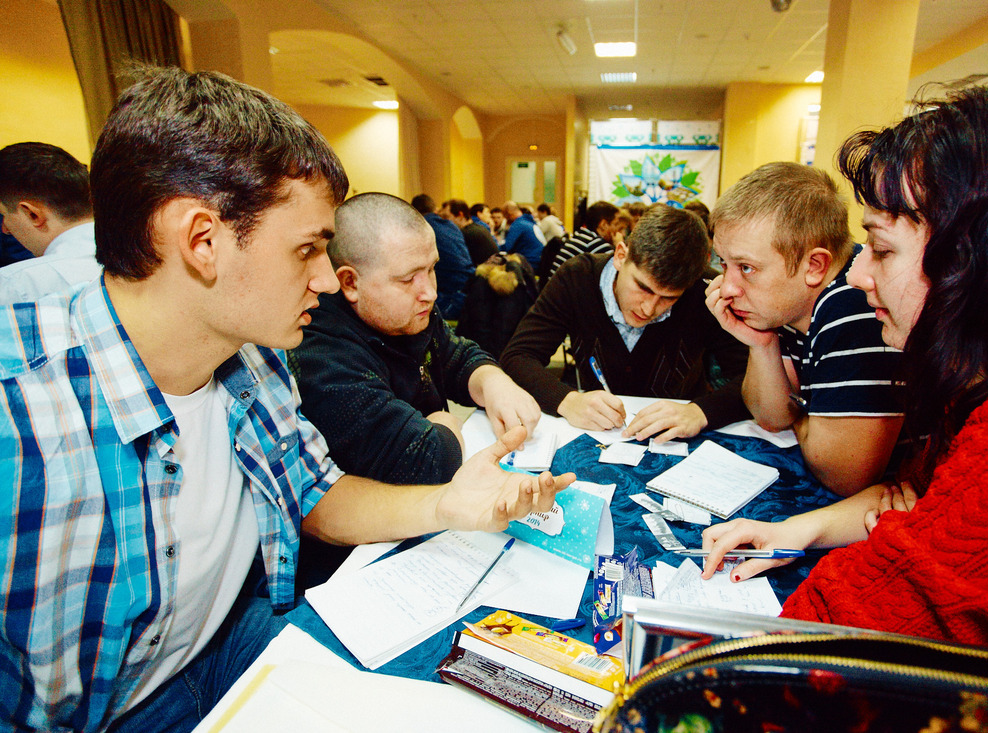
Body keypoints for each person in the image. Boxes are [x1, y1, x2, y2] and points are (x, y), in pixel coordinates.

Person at [0, 66, 572, 733]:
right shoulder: (20, 406)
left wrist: (449, 503)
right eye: (308, 250)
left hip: (224, 645)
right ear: (202, 240)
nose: (329, 280)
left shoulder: (255, 356)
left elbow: (313, 494)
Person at [702, 76, 988, 658]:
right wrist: (798, 530)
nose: (859, 275)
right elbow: (914, 490)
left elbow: (838, 633)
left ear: (984, 258)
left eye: (882, 250)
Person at [293, 191, 540, 484]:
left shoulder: (410, 313)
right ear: (350, 282)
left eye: (431, 269)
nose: (430, 293)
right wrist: (445, 424)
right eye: (408, 278)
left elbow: (456, 356)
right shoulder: (320, 354)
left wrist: (493, 382)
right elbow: (421, 462)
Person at [705, 162, 904, 496]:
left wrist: (798, 408)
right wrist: (761, 344)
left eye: (747, 268)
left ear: (814, 266)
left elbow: (843, 476)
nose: (727, 287)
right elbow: (771, 417)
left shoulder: (853, 308)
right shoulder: (788, 301)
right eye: (724, 264)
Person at [501, 204, 750, 441]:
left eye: (669, 299)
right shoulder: (576, 278)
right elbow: (517, 357)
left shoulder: (704, 291)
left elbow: (751, 380)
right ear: (621, 256)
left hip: (679, 437)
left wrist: (700, 411)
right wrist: (567, 400)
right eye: (642, 287)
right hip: (597, 432)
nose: (648, 308)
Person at [0, 141, 101, 303]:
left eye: (3, 214)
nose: (5, 229)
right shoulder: (147, 257)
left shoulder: (15, 287)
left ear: (32, 214)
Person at [409, 193, 473, 319]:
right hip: (471, 289)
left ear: (414, 212)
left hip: (451, 299)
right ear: (435, 209)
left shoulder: (418, 228)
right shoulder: (451, 225)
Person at [548, 200, 620, 278]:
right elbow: (616, 277)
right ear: (603, 225)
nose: (618, 231)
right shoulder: (596, 244)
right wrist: (618, 247)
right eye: (615, 224)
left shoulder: (579, 237)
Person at [441, 197, 499, 266]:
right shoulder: (479, 228)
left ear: (460, 215)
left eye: (446, 217)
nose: (444, 220)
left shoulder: (466, 234)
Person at [501, 200, 544, 269]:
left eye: (505, 217)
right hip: (539, 261)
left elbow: (506, 248)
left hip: (530, 263)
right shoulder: (529, 222)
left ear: (509, 214)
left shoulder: (518, 224)